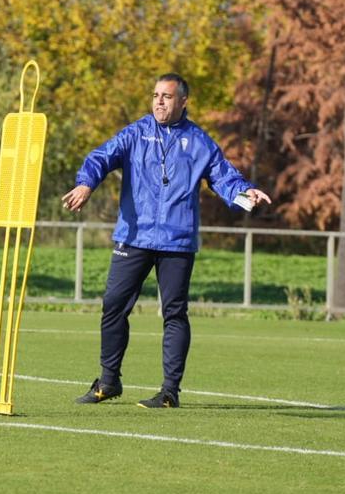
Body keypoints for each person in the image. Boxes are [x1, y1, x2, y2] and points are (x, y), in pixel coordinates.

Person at [62, 73, 272, 408]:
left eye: (167, 96)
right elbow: (100, 157)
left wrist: (245, 194)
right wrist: (87, 182)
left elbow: (224, 177)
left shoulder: (200, 142)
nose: (159, 101)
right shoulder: (135, 133)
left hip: (177, 241)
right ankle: (108, 382)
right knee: (113, 306)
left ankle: (169, 393)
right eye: (156, 95)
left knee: (174, 313)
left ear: (183, 101)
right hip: (134, 236)